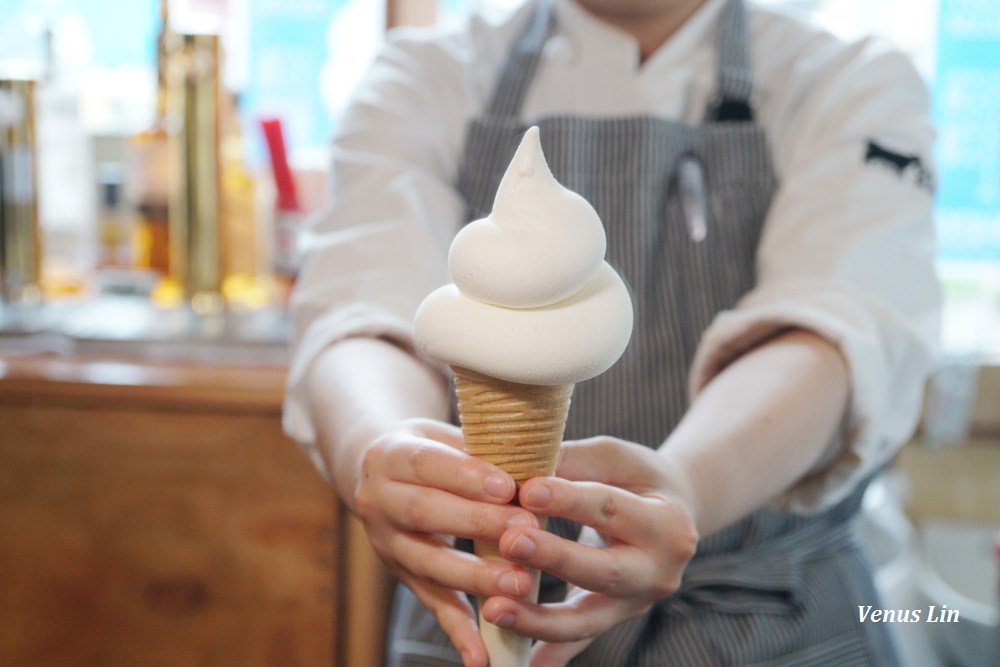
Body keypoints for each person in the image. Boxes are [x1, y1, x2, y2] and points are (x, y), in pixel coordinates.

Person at [283, 0, 940, 664]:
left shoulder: (845, 79)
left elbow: (837, 325)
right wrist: (382, 447)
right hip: (484, 608)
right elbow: (362, 306)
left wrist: (686, 482)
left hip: (770, 620)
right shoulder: (427, 74)